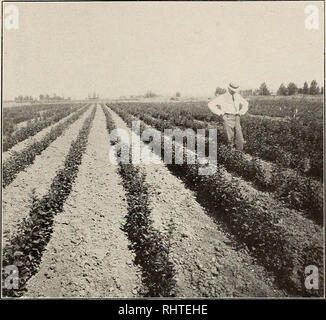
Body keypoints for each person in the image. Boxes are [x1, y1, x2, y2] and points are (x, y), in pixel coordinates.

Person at [208, 82, 248, 151]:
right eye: (232, 90)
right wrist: (221, 114)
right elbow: (210, 104)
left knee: (239, 138)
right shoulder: (223, 97)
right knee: (229, 138)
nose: (233, 92)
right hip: (227, 117)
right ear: (229, 89)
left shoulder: (237, 96)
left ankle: (239, 153)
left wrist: (240, 113)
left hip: (237, 117)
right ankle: (231, 153)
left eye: (235, 90)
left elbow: (246, 104)